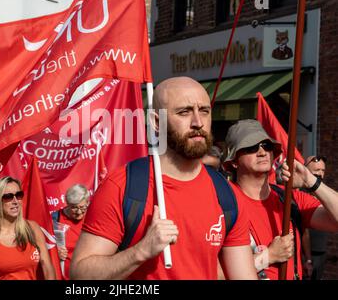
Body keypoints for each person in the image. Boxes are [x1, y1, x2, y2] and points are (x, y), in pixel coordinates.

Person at [70, 77, 257, 280]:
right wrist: (140, 251)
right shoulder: (123, 186)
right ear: (156, 122)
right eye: (184, 112)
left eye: (204, 110)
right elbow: (80, 275)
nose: (198, 122)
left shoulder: (226, 193)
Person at [223, 119, 338, 280]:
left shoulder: (290, 198)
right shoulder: (223, 202)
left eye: (267, 146)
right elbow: (208, 272)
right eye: (251, 147)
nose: (262, 152)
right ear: (234, 161)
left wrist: (310, 180)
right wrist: (268, 256)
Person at [0, 176, 56, 280]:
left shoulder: (33, 228)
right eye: (8, 197)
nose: (15, 201)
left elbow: (47, 267)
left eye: (19, 195)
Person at [52, 184, 90, 280]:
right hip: (63, 276)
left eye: (82, 208)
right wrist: (54, 253)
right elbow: (44, 247)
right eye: (74, 207)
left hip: (86, 274)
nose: (78, 212)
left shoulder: (92, 217)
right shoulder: (55, 219)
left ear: (88, 203)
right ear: (67, 204)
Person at [301, 156, 328, 279]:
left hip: (320, 252)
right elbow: (303, 230)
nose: (320, 174)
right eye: (316, 170)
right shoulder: (300, 193)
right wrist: (308, 259)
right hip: (305, 255)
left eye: (323, 170)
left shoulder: (323, 192)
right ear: (306, 170)